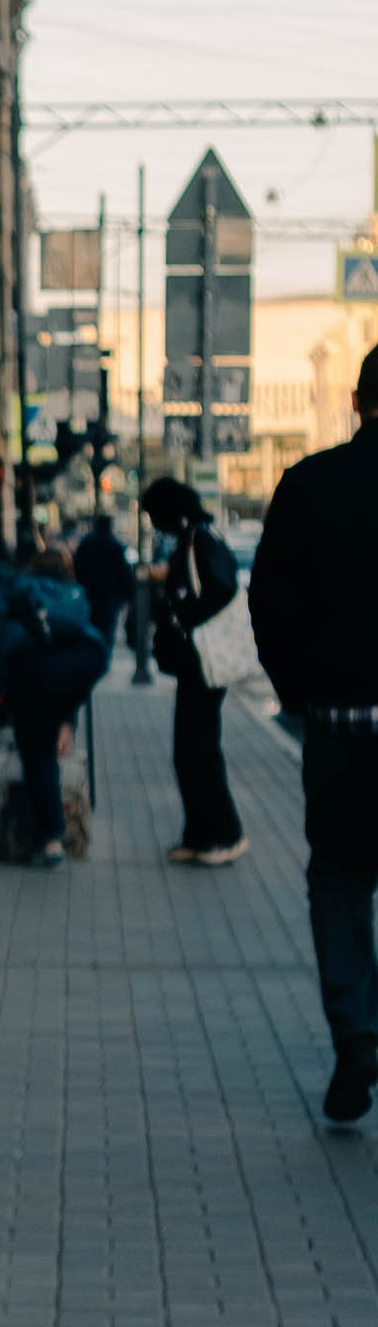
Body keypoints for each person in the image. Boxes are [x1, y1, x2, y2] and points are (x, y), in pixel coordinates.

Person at [247, 343, 378, 1125]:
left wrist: (301, 695)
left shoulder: (309, 485)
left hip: (338, 731)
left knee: (339, 878)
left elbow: (268, 606)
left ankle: (358, 1035)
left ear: (358, 402)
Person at [0, 541, 107, 868]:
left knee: (37, 754)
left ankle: (51, 840)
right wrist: (67, 719)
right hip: (84, 664)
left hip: (30, 673)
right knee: (47, 737)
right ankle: (54, 832)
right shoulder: (71, 593)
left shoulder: (14, 588)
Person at [143, 477, 246, 867]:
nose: (153, 523)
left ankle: (224, 834)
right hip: (196, 664)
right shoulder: (192, 538)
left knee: (199, 749)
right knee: (189, 750)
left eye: (155, 514)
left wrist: (185, 617)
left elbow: (221, 588)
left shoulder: (200, 538)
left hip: (205, 662)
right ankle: (200, 835)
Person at [73, 508, 135, 664]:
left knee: (92, 625)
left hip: (90, 592)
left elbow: (78, 566)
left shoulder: (87, 543)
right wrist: (128, 594)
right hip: (109, 595)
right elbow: (124, 571)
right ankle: (102, 657)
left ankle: (93, 654)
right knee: (107, 627)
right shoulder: (115, 545)